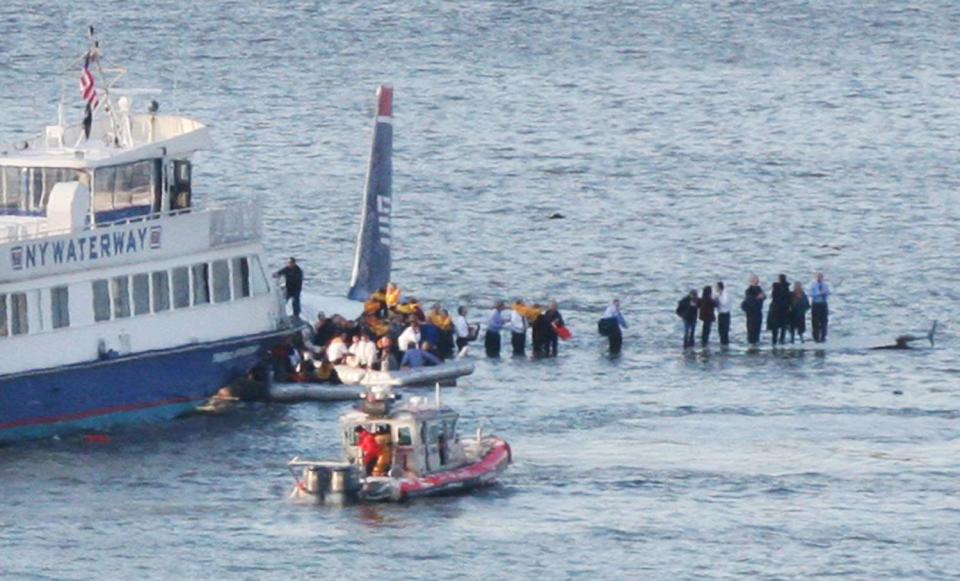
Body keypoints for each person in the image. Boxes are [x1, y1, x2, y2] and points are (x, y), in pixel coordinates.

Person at [741, 275, 765, 346]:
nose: (757, 281)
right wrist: (757, 297)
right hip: (751, 313)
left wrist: (762, 296)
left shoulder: (759, 289)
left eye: (757, 280)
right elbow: (749, 299)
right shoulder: (749, 290)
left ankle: (755, 343)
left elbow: (764, 296)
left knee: (757, 329)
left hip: (758, 312)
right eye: (755, 280)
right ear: (752, 281)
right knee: (751, 329)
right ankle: (751, 343)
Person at [768, 274, 791, 346]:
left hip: (776, 309)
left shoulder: (776, 287)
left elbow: (773, 297)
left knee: (776, 326)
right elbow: (788, 299)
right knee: (783, 326)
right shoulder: (786, 288)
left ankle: (775, 340)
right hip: (783, 309)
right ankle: (781, 340)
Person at [809, 272, 831, 342]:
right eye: (818, 277)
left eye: (821, 277)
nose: (819, 278)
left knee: (824, 321)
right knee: (815, 321)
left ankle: (823, 337)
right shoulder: (813, 285)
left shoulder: (825, 285)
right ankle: (816, 338)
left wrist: (825, 293)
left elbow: (829, 293)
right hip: (816, 304)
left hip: (823, 304)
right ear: (816, 278)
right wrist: (819, 293)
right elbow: (811, 294)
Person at [715, 281, 732, 346]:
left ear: (719, 287)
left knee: (725, 331)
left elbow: (723, 303)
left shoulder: (725, 294)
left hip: (725, 314)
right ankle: (722, 343)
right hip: (720, 314)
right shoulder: (718, 294)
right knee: (720, 330)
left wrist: (718, 298)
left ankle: (725, 344)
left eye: (716, 287)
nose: (715, 289)